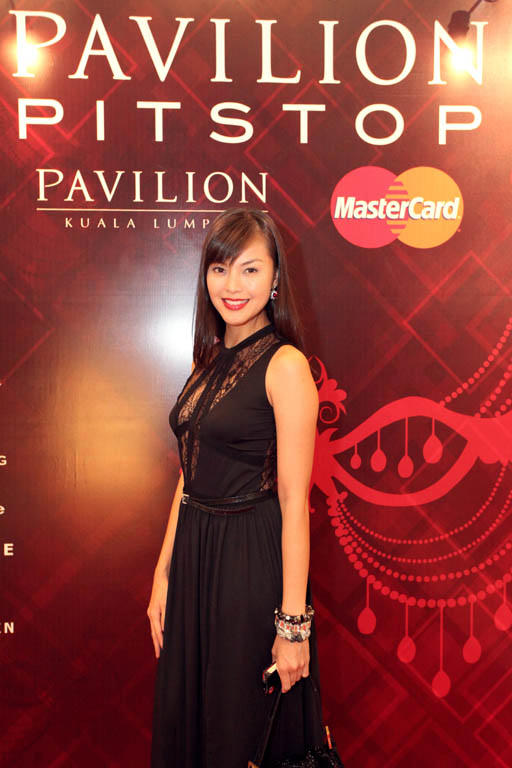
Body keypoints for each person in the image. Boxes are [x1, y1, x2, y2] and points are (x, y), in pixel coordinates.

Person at [148, 208, 326, 768]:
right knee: (195, 723)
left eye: (250, 270)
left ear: (274, 279)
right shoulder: (206, 361)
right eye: (220, 268)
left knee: (239, 727)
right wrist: (164, 572)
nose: (233, 285)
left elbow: (294, 503)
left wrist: (293, 627)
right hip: (196, 558)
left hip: (249, 565)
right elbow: (189, 474)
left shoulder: (286, 365)